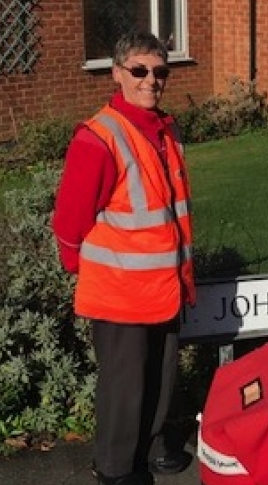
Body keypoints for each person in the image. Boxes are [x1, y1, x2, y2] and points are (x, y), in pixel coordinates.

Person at [52, 31, 196, 485]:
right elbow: (69, 223)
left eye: (159, 72)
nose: (150, 81)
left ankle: (150, 446)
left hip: (163, 285)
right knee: (124, 385)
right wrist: (89, 271)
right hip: (120, 292)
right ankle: (114, 468)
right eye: (139, 70)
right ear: (117, 74)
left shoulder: (165, 129)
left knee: (161, 374)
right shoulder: (99, 137)